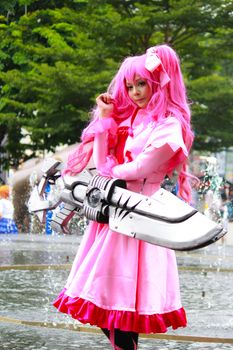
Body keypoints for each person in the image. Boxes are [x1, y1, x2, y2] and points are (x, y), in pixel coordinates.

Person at [53, 44, 194, 349]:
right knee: (102, 301)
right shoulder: (136, 120)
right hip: (113, 214)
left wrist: (111, 172)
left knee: (122, 306)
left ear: (158, 82)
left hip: (141, 219)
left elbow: (140, 167)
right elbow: (105, 165)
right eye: (130, 86)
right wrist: (105, 119)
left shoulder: (170, 126)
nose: (134, 92)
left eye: (141, 84)